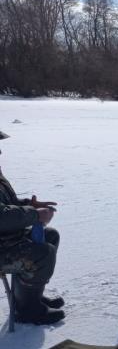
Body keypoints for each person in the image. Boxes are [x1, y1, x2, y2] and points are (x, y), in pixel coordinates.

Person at [0, 130, 64, 324]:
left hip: (6, 238)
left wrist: (28, 204)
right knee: (41, 253)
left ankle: (28, 297)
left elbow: (6, 204)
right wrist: (34, 214)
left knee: (50, 236)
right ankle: (27, 311)